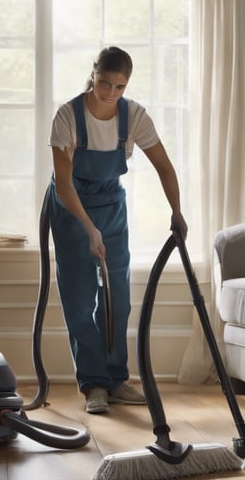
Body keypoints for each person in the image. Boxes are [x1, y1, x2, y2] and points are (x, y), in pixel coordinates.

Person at [48, 46, 188, 414]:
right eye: (104, 83)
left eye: (119, 87)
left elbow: (165, 167)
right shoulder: (68, 116)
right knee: (80, 299)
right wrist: (89, 229)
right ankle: (93, 384)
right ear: (93, 74)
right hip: (72, 207)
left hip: (111, 205)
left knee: (118, 299)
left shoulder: (134, 116)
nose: (110, 93)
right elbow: (63, 184)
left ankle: (115, 379)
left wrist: (177, 211)